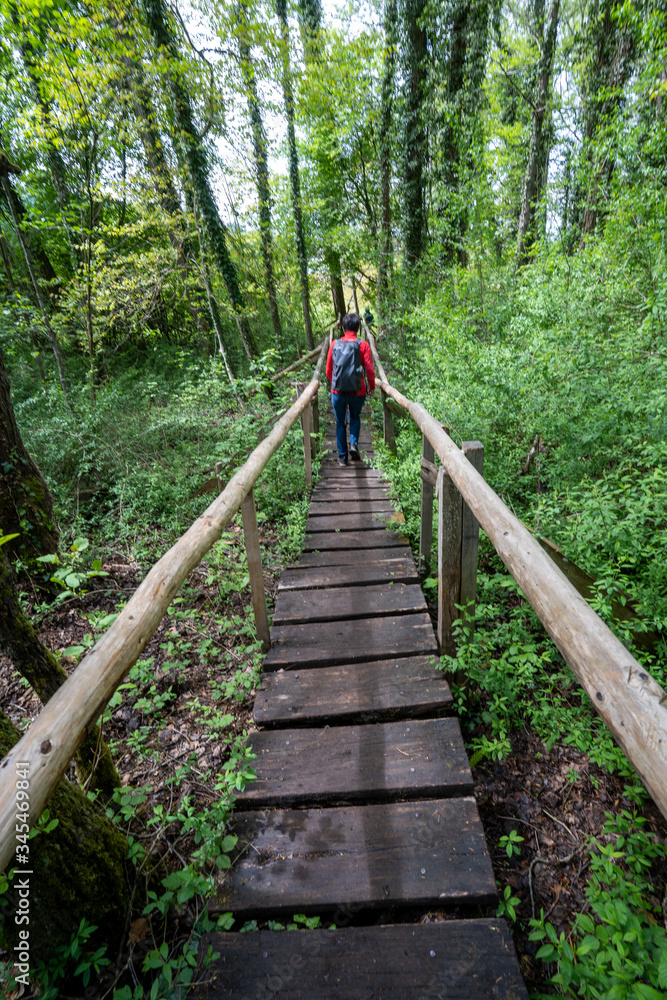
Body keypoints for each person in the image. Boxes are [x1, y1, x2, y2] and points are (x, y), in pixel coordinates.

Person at [326, 313, 375, 466]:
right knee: (355, 417)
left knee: (340, 423)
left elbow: (328, 370)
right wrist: (371, 387)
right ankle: (353, 443)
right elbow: (370, 369)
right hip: (357, 391)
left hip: (338, 392)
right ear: (358, 328)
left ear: (342, 328)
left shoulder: (334, 344)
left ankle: (342, 457)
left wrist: (336, 385)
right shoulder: (363, 345)